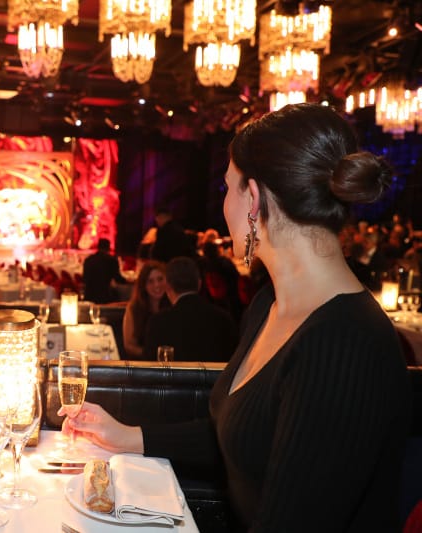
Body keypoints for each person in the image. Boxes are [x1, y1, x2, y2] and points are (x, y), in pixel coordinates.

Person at [61, 104, 410, 532]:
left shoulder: (344, 344)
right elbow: (242, 438)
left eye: (227, 188)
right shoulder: (269, 303)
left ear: (254, 199)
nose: (221, 205)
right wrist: (127, 435)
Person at [142, 256, 237, 362]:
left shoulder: (158, 322)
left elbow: (150, 369)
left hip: (174, 379)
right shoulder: (223, 319)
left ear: (168, 287)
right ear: (199, 284)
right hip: (217, 379)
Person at [122, 261, 170, 359]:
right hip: (143, 364)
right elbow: (129, 345)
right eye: (150, 281)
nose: (156, 285)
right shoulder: (134, 308)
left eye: (160, 279)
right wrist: (153, 355)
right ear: (143, 285)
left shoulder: (173, 306)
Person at [82, 238, 128, 304]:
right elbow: (118, 279)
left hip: (89, 296)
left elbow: (84, 279)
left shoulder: (88, 260)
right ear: (108, 248)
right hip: (104, 297)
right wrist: (130, 281)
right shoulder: (111, 261)